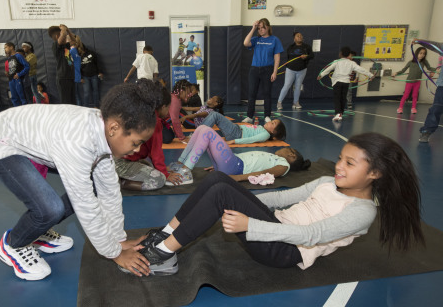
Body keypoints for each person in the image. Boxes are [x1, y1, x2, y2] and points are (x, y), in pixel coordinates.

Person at [118, 132, 424, 276]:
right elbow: (283, 196)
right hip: (275, 225)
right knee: (218, 182)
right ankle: (166, 232)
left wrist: (252, 224)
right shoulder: (327, 182)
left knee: (222, 192)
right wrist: (248, 201)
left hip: (285, 249)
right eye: (341, 158)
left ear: (375, 173)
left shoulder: (363, 212)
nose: (339, 166)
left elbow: (310, 236)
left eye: (350, 163)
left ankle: (164, 255)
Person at [0, 80, 166, 280]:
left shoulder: (103, 131)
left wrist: (118, 240)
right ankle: (13, 244)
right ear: (114, 128)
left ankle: (38, 231)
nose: (136, 150)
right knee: (50, 209)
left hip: (34, 142)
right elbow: (84, 203)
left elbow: (109, 191)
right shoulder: (79, 142)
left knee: (97, 186)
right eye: (136, 143)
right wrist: (114, 253)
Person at [166, 124, 310, 185]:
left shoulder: (284, 165)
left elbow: (265, 173)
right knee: (202, 128)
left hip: (235, 168)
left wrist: (238, 178)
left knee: (207, 132)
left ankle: (185, 172)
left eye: (289, 150)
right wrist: (218, 161)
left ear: (291, 155)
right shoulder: (276, 157)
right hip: (230, 163)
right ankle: (181, 163)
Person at [115, 80, 183, 190]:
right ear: (162, 106)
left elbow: (152, 151)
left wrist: (163, 169)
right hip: (120, 163)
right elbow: (156, 153)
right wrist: (165, 175)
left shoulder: (145, 114)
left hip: (116, 159)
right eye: (168, 107)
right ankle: (123, 183)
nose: (168, 111)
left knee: (148, 166)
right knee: (159, 179)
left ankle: (119, 174)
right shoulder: (154, 122)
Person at [242, 18, 283, 124]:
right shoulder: (256, 39)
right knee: (252, 93)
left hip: (267, 69)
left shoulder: (275, 40)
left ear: (268, 27)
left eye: (262, 28)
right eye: (258, 28)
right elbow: (246, 43)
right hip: (254, 69)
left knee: (267, 93)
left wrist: (275, 72)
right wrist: (253, 28)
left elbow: (277, 57)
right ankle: (250, 116)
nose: (260, 30)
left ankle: (267, 115)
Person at [317, 46, 375, 122]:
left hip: (337, 82)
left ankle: (338, 114)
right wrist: (370, 75)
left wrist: (321, 75)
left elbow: (329, 69)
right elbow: (361, 70)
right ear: (349, 55)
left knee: (337, 98)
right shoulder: (352, 63)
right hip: (346, 83)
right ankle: (340, 113)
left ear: (341, 54)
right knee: (343, 98)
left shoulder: (336, 61)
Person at [277, 32, 314, 110]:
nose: (300, 37)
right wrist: (288, 68)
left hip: (302, 70)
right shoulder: (290, 47)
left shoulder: (307, 47)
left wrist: (306, 56)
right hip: (290, 69)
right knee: (286, 85)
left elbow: (312, 56)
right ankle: (279, 102)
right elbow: (288, 58)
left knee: (298, 86)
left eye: (301, 35)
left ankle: (295, 102)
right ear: (294, 38)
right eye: (298, 36)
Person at [393, 47, 436, 114]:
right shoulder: (411, 62)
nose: (422, 55)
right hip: (409, 82)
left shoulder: (424, 62)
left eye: (424, 54)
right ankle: (400, 108)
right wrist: (396, 73)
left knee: (415, 95)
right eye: (420, 53)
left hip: (417, 82)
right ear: (416, 53)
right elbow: (403, 70)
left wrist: (437, 70)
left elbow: (429, 68)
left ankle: (413, 108)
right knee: (406, 95)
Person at [416, 40, 443, 142]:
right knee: (436, 109)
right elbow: (434, 45)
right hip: (442, 86)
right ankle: (426, 131)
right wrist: (420, 41)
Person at [201, 111, 286, 144]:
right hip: (236, 129)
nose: (269, 122)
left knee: (215, 115)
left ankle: (199, 134)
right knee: (213, 114)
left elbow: (251, 140)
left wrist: (233, 141)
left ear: (274, 131)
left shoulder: (265, 135)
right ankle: (199, 132)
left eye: (273, 123)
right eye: (272, 121)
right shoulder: (262, 129)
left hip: (236, 133)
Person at [48, 24, 75, 104]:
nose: (65, 37)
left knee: (72, 101)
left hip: (70, 76)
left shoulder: (65, 46)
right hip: (63, 78)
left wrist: (68, 30)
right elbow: (62, 35)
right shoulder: (55, 46)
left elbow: (73, 40)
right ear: (57, 36)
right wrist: (63, 29)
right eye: (63, 35)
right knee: (66, 102)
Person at [5, 42, 30, 107]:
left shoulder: (18, 56)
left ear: (11, 47)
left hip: (18, 80)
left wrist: (19, 74)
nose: (5, 49)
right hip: (11, 80)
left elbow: (27, 66)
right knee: (14, 98)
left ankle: (25, 112)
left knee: (22, 97)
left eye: (6, 47)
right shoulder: (9, 58)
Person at [70, 36, 86, 106]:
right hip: (77, 76)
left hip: (74, 76)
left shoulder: (72, 50)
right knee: (78, 96)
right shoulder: (76, 50)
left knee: (76, 96)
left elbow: (69, 63)